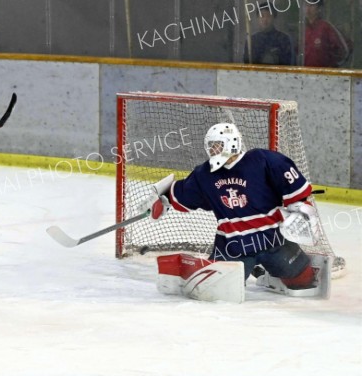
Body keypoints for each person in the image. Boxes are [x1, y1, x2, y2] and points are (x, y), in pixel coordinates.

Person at [139, 123, 325, 294]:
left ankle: (271, 275)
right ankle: (253, 270)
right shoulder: (204, 174)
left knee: (305, 282)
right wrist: (163, 201)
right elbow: (182, 194)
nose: (213, 150)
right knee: (217, 292)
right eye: (210, 146)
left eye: (217, 144)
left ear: (232, 143)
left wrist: (301, 209)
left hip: (274, 241)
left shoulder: (264, 160)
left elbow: (297, 192)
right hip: (232, 247)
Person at [304, 0, 351, 67]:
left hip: (324, 76)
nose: (308, 9)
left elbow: (344, 51)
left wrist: (331, 69)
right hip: (305, 75)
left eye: (312, 5)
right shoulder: (303, 30)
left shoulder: (326, 27)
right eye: (306, 5)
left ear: (319, 8)